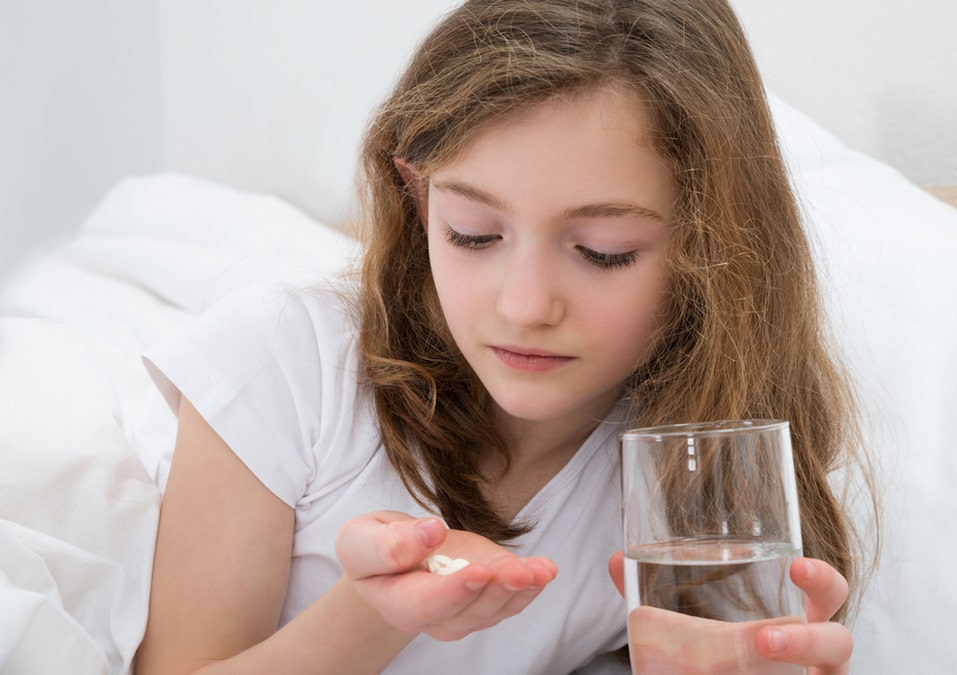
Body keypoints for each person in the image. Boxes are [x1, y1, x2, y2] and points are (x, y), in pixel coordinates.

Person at [134, 0, 873, 673]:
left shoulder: (699, 470)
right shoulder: (287, 362)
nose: (524, 306)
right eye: (474, 233)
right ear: (417, 197)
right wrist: (376, 611)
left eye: (603, 250)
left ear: (714, 249)